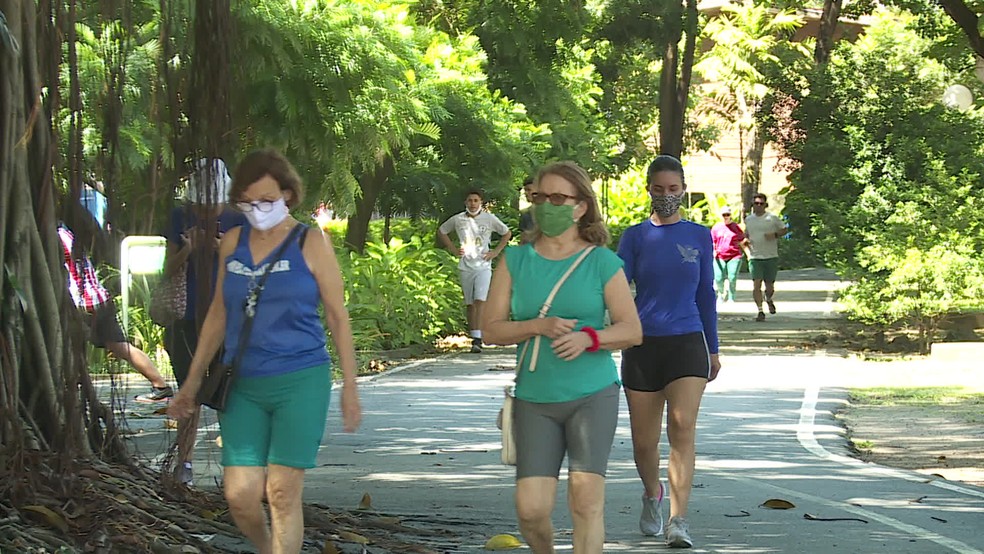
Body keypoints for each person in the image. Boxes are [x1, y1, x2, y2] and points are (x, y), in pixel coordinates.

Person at [167, 149, 362, 554]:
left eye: (267, 201)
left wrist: (350, 386)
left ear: (288, 196)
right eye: (248, 202)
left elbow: (338, 317)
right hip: (242, 383)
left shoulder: (310, 242)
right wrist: (191, 381)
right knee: (240, 496)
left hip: (300, 379)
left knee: (282, 491)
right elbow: (219, 312)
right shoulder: (233, 242)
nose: (258, 210)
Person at [483, 161, 642, 554]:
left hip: (592, 393)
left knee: (586, 501)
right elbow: (491, 329)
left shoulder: (601, 262)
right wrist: (537, 326)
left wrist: (590, 337)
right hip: (535, 399)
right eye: (539, 197)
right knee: (531, 511)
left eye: (558, 197)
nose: (546, 205)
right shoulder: (515, 261)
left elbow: (631, 329)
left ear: (580, 206)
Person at [616, 155, 720, 549]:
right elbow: (618, 286)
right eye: (658, 190)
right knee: (644, 442)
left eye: (673, 189)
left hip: (688, 341)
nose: (666, 196)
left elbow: (705, 294)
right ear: (649, 191)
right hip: (643, 345)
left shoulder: (699, 235)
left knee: (682, 428)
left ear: (683, 189)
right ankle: (651, 495)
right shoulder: (635, 237)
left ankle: (679, 519)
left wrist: (714, 348)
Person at [162, 158, 246, 485]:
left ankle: (236, 466)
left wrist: (219, 247)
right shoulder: (179, 216)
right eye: (202, 206)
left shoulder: (240, 219)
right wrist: (190, 248)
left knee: (229, 392)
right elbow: (167, 269)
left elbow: (250, 266)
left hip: (228, 316)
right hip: (188, 317)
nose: (207, 212)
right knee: (189, 389)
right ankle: (184, 462)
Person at [57, 223, 173, 402]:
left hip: (84, 303)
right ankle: (160, 384)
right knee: (119, 346)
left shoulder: (55, 238)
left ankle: (69, 390)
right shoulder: (66, 233)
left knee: (70, 346)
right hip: (98, 298)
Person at [437, 190, 512, 353]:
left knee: (480, 300)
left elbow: (506, 233)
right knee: (470, 303)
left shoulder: (489, 218)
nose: (473, 203)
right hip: (465, 265)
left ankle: (478, 339)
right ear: (466, 202)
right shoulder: (458, 219)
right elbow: (442, 231)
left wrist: (496, 252)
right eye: (470, 200)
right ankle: (473, 335)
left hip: (483, 265)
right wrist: (453, 249)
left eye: (476, 200)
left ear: (481, 202)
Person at [741, 193, 788, 322]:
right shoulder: (749, 220)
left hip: (771, 256)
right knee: (756, 285)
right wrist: (747, 247)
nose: (759, 206)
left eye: (761, 203)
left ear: (765, 205)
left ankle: (769, 298)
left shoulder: (772, 218)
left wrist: (775, 235)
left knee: (769, 286)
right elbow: (746, 234)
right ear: (753, 205)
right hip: (755, 256)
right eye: (756, 203)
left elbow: (784, 229)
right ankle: (760, 311)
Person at [710, 206, 744, 304]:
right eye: (723, 215)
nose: (726, 217)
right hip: (719, 256)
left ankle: (731, 296)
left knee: (732, 277)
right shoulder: (716, 227)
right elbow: (713, 241)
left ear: (730, 216)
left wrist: (748, 253)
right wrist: (713, 251)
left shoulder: (736, 227)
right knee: (718, 277)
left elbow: (742, 240)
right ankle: (721, 294)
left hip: (734, 255)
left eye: (727, 215)